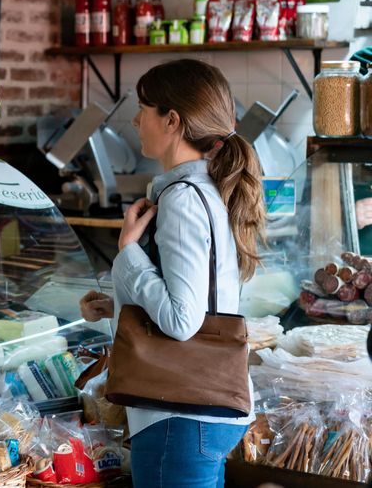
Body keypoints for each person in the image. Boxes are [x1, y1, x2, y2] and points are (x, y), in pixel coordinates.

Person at [79, 59, 264, 487]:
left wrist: (127, 252)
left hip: (179, 417)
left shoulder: (181, 200)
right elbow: (201, 299)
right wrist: (116, 303)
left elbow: (183, 321)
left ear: (173, 121)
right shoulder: (205, 189)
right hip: (199, 414)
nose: (136, 119)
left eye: (145, 108)